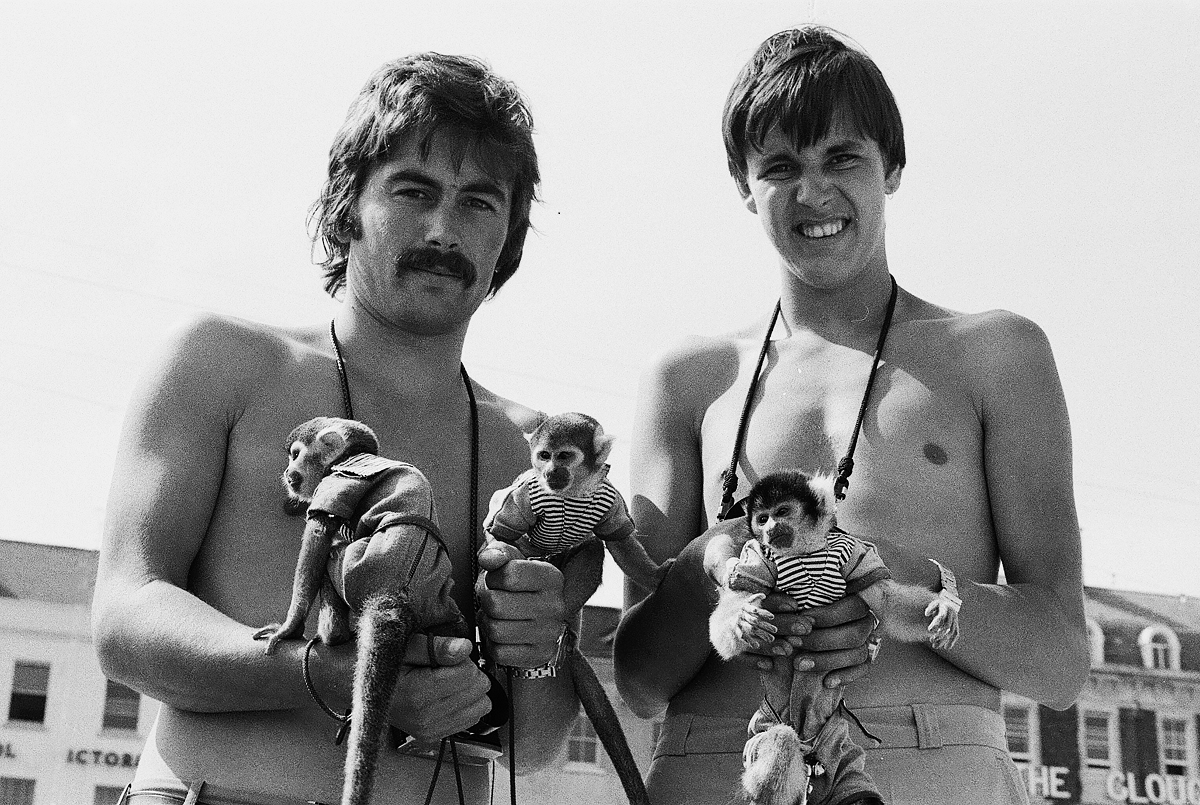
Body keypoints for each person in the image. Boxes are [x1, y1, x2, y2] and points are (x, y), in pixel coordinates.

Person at [613, 26, 1089, 805]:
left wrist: (908, 593)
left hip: (934, 768)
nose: (813, 193)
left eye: (842, 158)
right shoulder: (689, 378)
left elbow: (1063, 661)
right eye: (780, 167)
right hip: (721, 768)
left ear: (891, 167)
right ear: (743, 185)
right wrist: (710, 572)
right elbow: (637, 679)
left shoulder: (997, 355)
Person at [92, 53, 578, 805]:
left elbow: (536, 743)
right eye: (414, 191)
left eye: (480, 202)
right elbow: (125, 618)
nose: (444, 228)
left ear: (509, 235)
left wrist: (541, 645)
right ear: (349, 204)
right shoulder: (225, 364)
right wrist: (337, 677)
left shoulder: (531, 451)